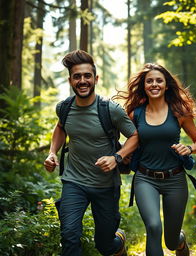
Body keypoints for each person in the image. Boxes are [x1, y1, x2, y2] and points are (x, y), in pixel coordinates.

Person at [43, 50, 138, 256]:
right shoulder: (64, 108)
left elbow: (135, 136)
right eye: (77, 76)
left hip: (105, 185)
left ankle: (118, 242)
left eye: (87, 76)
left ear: (95, 78)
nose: (82, 81)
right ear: (70, 80)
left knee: (104, 245)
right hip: (74, 182)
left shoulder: (110, 109)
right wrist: (52, 152)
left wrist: (117, 157)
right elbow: (60, 127)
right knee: (69, 235)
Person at [117, 63, 196, 256]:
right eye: (150, 81)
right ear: (144, 86)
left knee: (171, 241)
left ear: (166, 85)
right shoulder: (135, 113)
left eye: (159, 80)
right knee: (154, 227)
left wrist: (189, 148)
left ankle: (179, 241)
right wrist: (123, 155)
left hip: (175, 179)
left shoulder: (179, 112)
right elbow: (128, 140)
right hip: (145, 178)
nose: (154, 84)